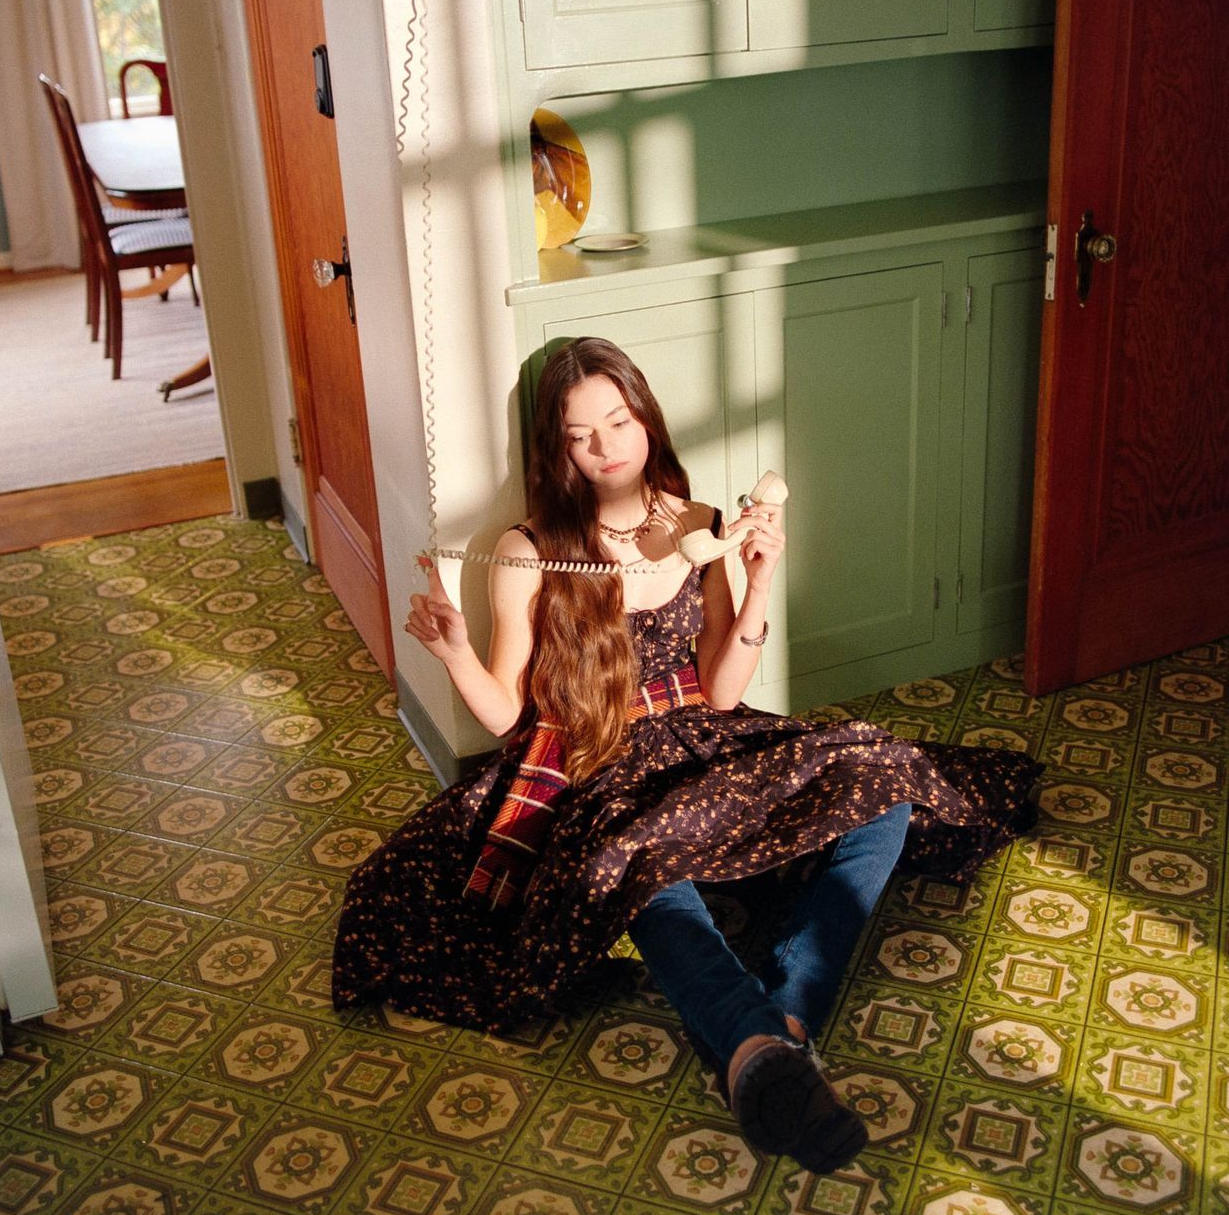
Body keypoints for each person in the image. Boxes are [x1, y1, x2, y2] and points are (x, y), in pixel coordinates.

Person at [333, 337, 1041, 1172]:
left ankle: (772, 1026)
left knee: (879, 780)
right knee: (637, 862)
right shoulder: (528, 550)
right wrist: (454, 655)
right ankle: (763, 1045)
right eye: (580, 436)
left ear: (646, 418)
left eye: (618, 421)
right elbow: (509, 716)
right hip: (600, 760)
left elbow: (725, 692)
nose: (605, 447)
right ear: (557, 450)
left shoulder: (696, 522)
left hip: (699, 735)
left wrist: (760, 580)